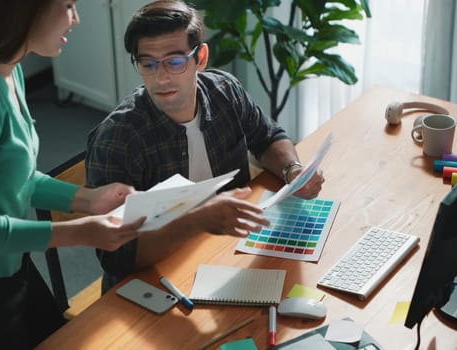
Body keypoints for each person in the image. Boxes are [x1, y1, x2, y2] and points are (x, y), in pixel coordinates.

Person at [0, 1, 146, 348]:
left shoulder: (8, 66)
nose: (76, 19)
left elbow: (9, 174)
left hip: (7, 264)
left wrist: (87, 198)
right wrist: (78, 233)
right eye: (68, 5)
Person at [86, 0, 325, 293]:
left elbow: (268, 137)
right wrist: (197, 221)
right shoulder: (118, 138)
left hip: (226, 252)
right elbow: (115, 255)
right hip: (156, 282)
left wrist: (292, 170)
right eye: (147, 64)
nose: (160, 78)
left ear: (200, 57)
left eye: (174, 62)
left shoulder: (225, 91)